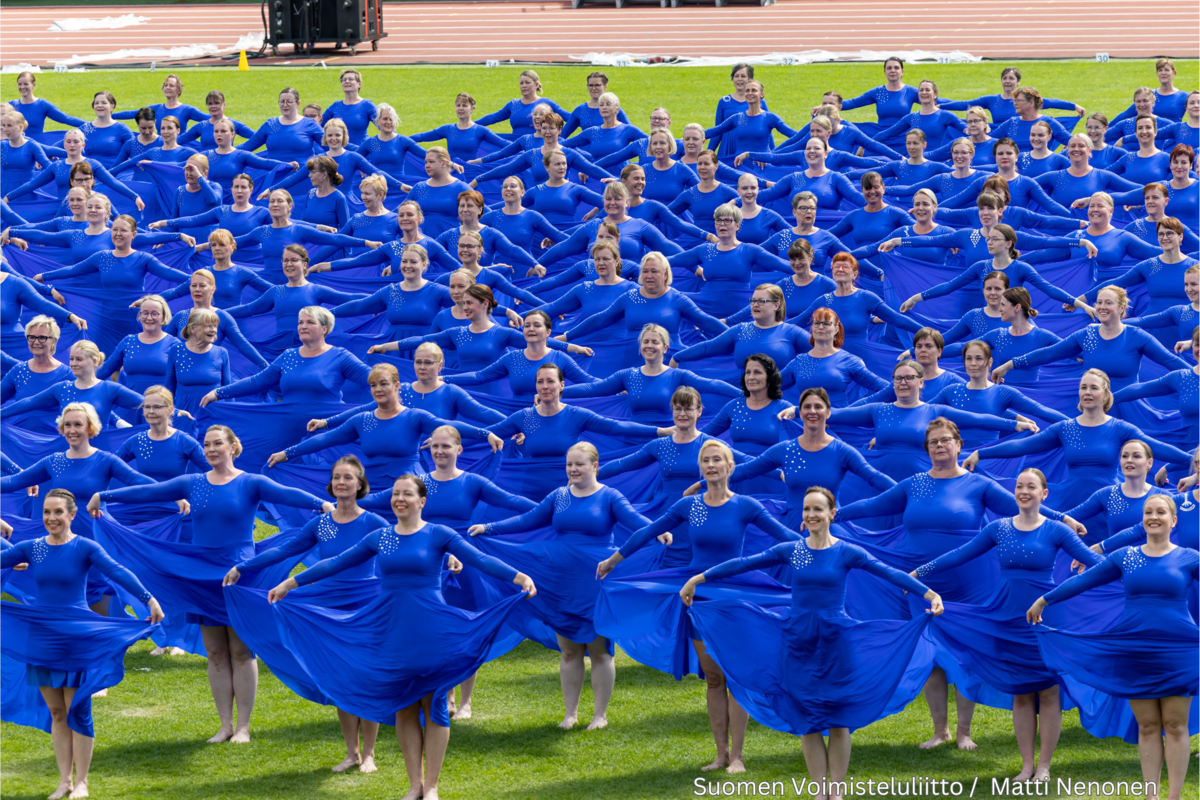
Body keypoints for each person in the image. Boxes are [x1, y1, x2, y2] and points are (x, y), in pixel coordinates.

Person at [264, 474, 536, 800]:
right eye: (395, 494)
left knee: (433, 703)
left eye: (407, 494)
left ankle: (432, 786)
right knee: (405, 707)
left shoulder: (438, 534)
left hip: (431, 628)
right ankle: (415, 785)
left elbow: (479, 559)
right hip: (392, 629)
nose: (399, 499)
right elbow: (335, 563)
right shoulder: (381, 537)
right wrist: (290, 583)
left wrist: (518, 576)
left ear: (422, 501)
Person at [682, 485, 943, 791]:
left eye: (818, 509)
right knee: (807, 720)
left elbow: (887, 572)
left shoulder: (846, 552)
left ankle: (836, 790)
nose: (810, 514)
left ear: (832, 514)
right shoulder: (792, 550)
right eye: (807, 509)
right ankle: (820, 791)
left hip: (836, 641)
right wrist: (698, 578)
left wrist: (929, 593)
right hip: (798, 641)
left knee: (838, 720)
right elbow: (744, 563)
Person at [90, 425, 333, 744]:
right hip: (202, 574)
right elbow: (149, 491)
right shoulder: (193, 483)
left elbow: (287, 494)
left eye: (218, 443)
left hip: (239, 573)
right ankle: (225, 725)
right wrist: (105, 495)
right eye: (206, 444)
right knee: (216, 651)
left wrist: (323, 505)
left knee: (241, 650)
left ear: (233, 447)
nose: (211, 449)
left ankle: (243, 726)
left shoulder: (250, 482)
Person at [596, 439, 802, 772]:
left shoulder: (745, 506)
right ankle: (720, 754)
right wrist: (613, 560)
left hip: (733, 597)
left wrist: (821, 546)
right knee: (714, 679)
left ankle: (738, 756)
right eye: (705, 460)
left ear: (730, 466)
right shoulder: (689, 506)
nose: (711, 465)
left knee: (735, 675)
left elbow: (784, 537)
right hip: (698, 597)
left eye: (717, 459)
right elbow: (649, 531)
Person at [911, 467, 1102, 780]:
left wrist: (1135, 572)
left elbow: (1098, 564)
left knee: (1049, 692)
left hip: (1044, 619)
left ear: (1044, 494)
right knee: (1021, 692)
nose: (1024, 492)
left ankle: (1044, 766)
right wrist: (919, 573)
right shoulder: (998, 528)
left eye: (1031, 487)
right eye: (1019, 487)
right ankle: (1027, 765)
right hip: (1007, 617)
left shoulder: (1057, 530)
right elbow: (960, 554)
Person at [223, 455, 390, 773]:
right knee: (338, 677)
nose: (341, 482)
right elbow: (284, 551)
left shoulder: (373, 523)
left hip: (364, 605)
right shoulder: (321, 524)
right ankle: (351, 753)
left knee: (364, 676)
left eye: (348, 478)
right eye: (337, 477)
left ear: (360, 485)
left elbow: (403, 547)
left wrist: (445, 559)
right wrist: (242, 567)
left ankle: (369, 754)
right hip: (327, 606)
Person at [470, 442, 649, 730]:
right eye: (569, 465)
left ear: (595, 466)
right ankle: (570, 714)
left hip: (594, 580)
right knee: (568, 650)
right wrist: (489, 528)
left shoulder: (609, 496)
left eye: (579, 464)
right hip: (561, 580)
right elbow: (527, 520)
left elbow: (637, 522)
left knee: (600, 649)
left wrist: (657, 530)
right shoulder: (559, 496)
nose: (573, 469)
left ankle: (600, 715)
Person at [0, 488, 164, 800]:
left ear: (72, 515)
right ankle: (64, 781)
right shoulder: (31, 548)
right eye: (46, 512)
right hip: (42, 637)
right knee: (56, 712)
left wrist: (149, 599)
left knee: (78, 710)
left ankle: (82, 782)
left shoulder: (84, 547)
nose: (51, 518)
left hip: (75, 637)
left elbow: (117, 571)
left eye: (58, 512)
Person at [1029, 494, 1196, 800]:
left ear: (1173, 521)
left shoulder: (1189, 557)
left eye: (1161, 512)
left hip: (1177, 651)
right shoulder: (1126, 557)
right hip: (1134, 649)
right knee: (1148, 726)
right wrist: (1044, 600)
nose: (1153, 517)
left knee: (1175, 725)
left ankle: (1174, 797)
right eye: (1148, 512)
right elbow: (1085, 581)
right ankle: (1151, 796)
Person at [966, 369, 1193, 512]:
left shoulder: (1120, 428)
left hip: (1111, 503)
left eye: (1094, 388)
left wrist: (1194, 463)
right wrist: (982, 453)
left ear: (1106, 394)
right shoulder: (1066, 429)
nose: (1087, 392)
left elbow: (1157, 448)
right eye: (1083, 387)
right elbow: (1023, 445)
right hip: (1070, 501)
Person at [266, 362, 502, 485]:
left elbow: (449, 428)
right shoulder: (362, 420)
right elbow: (325, 440)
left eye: (383, 384)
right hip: (369, 487)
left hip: (409, 488)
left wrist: (486, 434)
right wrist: (286, 453)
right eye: (373, 385)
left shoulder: (414, 416)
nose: (378, 389)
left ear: (397, 386)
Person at [993, 286, 1190, 394]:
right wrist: (1010, 364)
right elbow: (1049, 353)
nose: (1101, 307)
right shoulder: (1086, 335)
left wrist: (1195, 376)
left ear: (1122, 308)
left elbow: (1170, 361)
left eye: (1108, 303)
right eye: (1099, 302)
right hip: (1091, 406)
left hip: (1128, 408)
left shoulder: (1137, 336)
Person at [555, 252, 726, 371]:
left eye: (654, 271)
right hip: (632, 362)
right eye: (645, 271)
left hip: (670, 363)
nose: (649, 275)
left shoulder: (677, 299)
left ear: (665, 274)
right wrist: (566, 337)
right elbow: (600, 320)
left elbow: (706, 321)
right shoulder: (629, 297)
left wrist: (734, 337)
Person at [370, 286, 575, 375]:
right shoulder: (457, 333)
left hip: (495, 394)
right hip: (466, 389)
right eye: (464, 303)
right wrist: (384, 347)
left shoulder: (501, 333)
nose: (465, 307)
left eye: (469, 303)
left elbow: (541, 342)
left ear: (485, 304)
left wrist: (573, 347)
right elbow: (421, 341)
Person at [896, 224, 1090, 318]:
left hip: (1016, 323)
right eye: (989, 239)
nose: (989, 242)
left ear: (1008, 243)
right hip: (987, 321)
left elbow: (1050, 289)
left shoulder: (1021, 267)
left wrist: (1083, 305)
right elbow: (949, 286)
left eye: (995, 239)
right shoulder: (981, 266)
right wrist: (916, 298)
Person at [564, 323, 740, 424]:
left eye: (655, 342)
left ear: (665, 348)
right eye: (645, 341)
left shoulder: (677, 375)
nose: (649, 346)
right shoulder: (627, 375)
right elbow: (593, 389)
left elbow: (712, 385)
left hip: (666, 440)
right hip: (633, 441)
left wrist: (743, 395)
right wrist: (558, 392)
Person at [926, 341, 1068, 451]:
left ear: (990, 362)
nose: (973, 363)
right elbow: (922, 411)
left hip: (989, 459)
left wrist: (1074, 424)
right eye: (968, 359)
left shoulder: (1003, 392)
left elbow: (1040, 410)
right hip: (955, 458)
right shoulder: (951, 391)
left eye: (979, 358)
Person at [793, 253, 923, 363]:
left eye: (845, 267)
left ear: (855, 274)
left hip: (861, 361)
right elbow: (797, 323)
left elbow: (897, 319)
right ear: (832, 272)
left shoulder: (865, 297)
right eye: (836, 266)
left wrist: (925, 332)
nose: (840, 269)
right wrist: (778, 326)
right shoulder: (824, 300)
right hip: (830, 363)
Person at [671, 204, 792, 318]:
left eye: (727, 220)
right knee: (673, 300)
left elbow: (784, 265)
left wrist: (802, 269)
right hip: (707, 310)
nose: (722, 224)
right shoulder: (704, 250)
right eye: (718, 220)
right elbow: (672, 260)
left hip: (739, 312)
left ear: (738, 225)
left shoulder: (749, 250)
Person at [672, 284, 809, 381]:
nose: (755, 304)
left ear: (776, 305)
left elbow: (819, 354)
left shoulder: (791, 332)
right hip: (745, 395)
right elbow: (708, 348)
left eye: (761, 301)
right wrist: (677, 357)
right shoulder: (741, 330)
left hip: (782, 398)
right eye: (753, 301)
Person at [1, 340, 144, 431]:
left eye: (79, 359)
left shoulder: (109, 388)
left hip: (99, 453)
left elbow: (147, 403)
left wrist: (123, 425)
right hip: (69, 451)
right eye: (72, 359)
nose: (73, 364)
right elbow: (28, 403)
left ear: (94, 361)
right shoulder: (62, 388)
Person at [541, 183, 684, 266]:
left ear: (626, 202)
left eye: (617, 199)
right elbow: (563, 248)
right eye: (608, 199)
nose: (612, 203)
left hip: (632, 285)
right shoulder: (593, 225)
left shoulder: (640, 226)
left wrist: (693, 265)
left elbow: (667, 246)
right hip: (598, 289)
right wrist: (536, 266)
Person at [3, 128, 145, 211]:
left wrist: (135, 196)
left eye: (76, 142)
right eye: (69, 142)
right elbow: (32, 185)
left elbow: (113, 183)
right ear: (64, 144)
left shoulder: (92, 164)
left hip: (88, 212)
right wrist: (8, 197)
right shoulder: (56, 166)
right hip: (63, 211)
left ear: (83, 145)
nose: (72, 145)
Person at [97, 294, 177, 420]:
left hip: (159, 410)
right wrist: (76, 375)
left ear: (163, 316)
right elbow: (104, 370)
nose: (149, 318)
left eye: (154, 314)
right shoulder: (128, 341)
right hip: (128, 410)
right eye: (145, 313)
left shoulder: (174, 344)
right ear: (139, 315)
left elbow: (184, 380)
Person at [0, 316, 74, 433]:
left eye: (42, 338)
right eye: (32, 337)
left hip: (53, 438)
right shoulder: (18, 371)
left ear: (53, 341)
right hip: (18, 437)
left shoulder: (67, 374)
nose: (36, 342)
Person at [940, 66, 1083, 126]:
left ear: (1018, 81)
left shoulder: (1026, 100)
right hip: (998, 139)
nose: (1007, 81)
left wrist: (1074, 106)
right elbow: (965, 104)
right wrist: (940, 107)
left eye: (1011, 78)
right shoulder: (991, 100)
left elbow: (1051, 102)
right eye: (1005, 78)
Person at [409, 92, 510, 163]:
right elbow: (422, 137)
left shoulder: (480, 131)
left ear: (472, 108)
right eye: (458, 105)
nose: (460, 108)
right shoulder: (448, 129)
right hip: (451, 174)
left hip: (471, 173)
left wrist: (480, 161)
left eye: (464, 105)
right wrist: (402, 139)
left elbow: (504, 144)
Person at [835, 57, 919, 138]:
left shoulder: (911, 91)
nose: (893, 70)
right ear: (885, 72)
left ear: (902, 71)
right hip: (880, 136)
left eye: (896, 68)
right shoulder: (878, 92)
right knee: (846, 129)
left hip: (902, 137)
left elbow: (927, 102)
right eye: (889, 68)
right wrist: (830, 103)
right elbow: (854, 102)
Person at [238, 87, 324, 165]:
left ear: (298, 103)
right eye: (282, 101)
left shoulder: (310, 124)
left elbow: (328, 147)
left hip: (301, 174)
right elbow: (248, 146)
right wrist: (230, 150)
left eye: (289, 101)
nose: (285, 105)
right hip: (275, 174)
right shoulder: (271, 124)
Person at [476, 70, 568, 139]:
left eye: (527, 83)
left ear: (536, 84)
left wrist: (559, 136)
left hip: (537, 146)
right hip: (515, 147)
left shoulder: (546, 104)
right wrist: (470, 125)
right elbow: (493, 117)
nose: (524, 86)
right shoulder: (514, 104)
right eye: (521, 83)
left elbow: (571, 119)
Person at [710, 63, 773, 158]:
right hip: (728, 147)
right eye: (736, 76)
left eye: (743, 76)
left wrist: (773, 153)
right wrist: (708, 153)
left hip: (751, 146)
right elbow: (717, 131)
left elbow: (767, 129)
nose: (739, 79)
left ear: (750, 79)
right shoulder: (724, 101)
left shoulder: (759, 101)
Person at [6, 71, 86, 141]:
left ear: (33, 85)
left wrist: (90, 125)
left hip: (36, 147)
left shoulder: (42, 105)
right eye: (19, 84)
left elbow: (66, 119)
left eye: (26, 84)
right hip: (15, 147)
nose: (22, 87)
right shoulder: (11, 105)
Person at [176, 90, 255, 150]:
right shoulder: (202, 126)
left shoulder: (233, 124)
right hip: (205, 165)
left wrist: (236, 150)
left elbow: (257, 137)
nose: (213, 106)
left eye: (217, 103)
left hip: (225, 163)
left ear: (224, 105)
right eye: (210, 104)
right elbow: (178, 140)